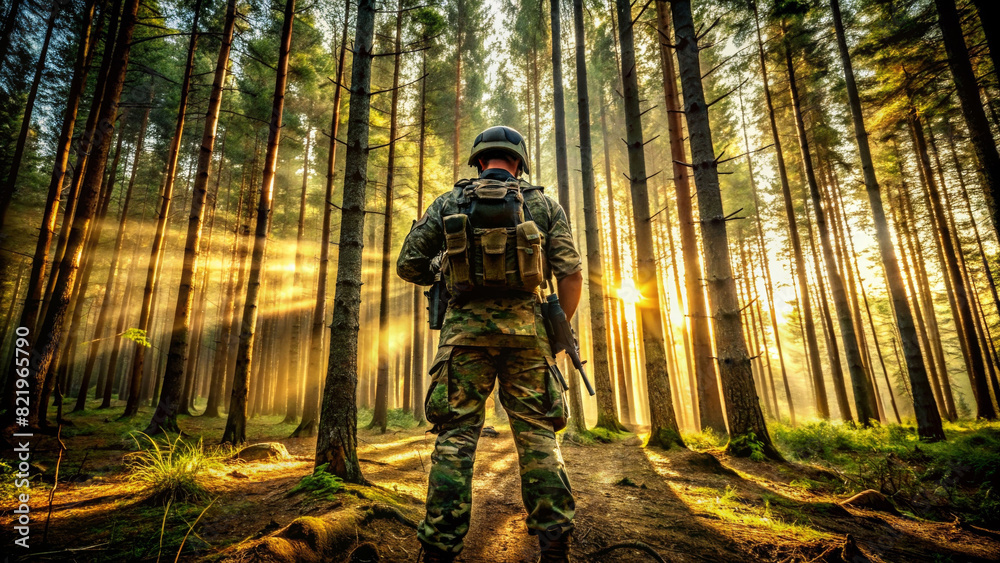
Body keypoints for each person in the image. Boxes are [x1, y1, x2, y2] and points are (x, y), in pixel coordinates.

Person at [397, 125, 584, 563]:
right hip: (527, 335)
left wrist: (441, 271)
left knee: (455, 440)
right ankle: (554, 547)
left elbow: (409, 264)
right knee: (538, 437)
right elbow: (571, 274)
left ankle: (439, 550)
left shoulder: (448, 202)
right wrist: (557, 329)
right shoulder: (541, 203)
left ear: (480, 161)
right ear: (518, 162)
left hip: (463, 337)